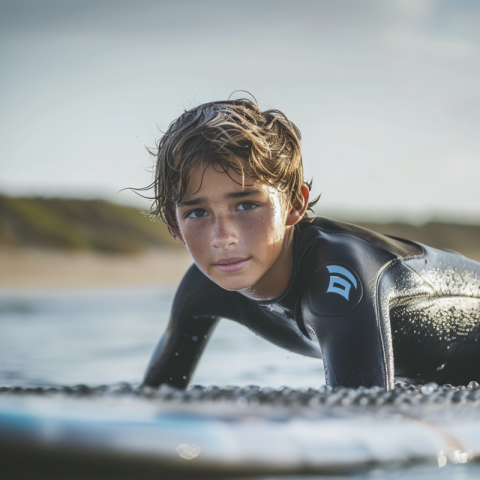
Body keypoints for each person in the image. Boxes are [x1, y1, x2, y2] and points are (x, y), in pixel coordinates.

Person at [141, 98, 480, 391]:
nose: (223, 237)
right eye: (198, 212)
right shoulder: (201, 288)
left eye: (246, 205)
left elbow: (364, 419)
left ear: (294, 206)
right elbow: (155, 398)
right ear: (175, 225)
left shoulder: (338, 276)